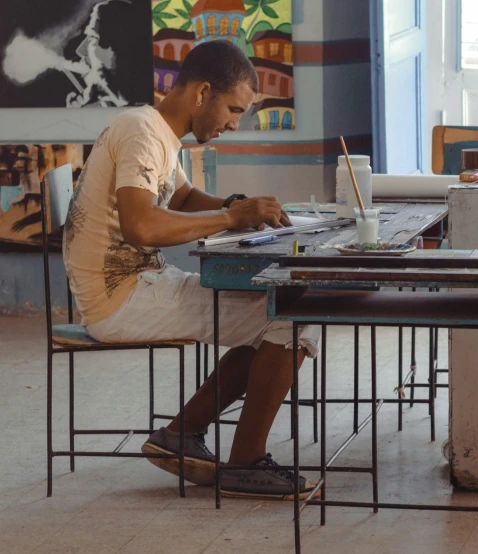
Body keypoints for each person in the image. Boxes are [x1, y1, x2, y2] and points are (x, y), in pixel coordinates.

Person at [62, 40, 319, 500]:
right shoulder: (142, 132)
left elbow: (177, 199)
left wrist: (234, 205)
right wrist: (229, 219)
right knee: (294, 319)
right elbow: (141, 224)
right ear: (202, 94)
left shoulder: (156, 130)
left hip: (137, 284)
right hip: (119, 298)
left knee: (273, 313)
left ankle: (182, 435)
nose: (233, 125)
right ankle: (244, 463)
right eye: (233, 110)